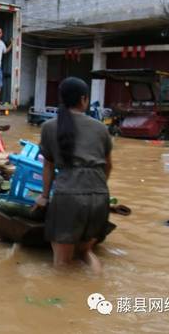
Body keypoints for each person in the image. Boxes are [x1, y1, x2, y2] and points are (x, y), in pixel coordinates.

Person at [36, 77, 112, 273]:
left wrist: (44, 197)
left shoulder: (49, 127)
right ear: (84, 99)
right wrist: (96, 188)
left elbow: (48, 166)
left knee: (62, 264)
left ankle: (65, 301)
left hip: (68, 198)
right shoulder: (101, 128)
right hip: (100, 196)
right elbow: (108, 166)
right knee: (86, 252)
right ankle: (98, 291)